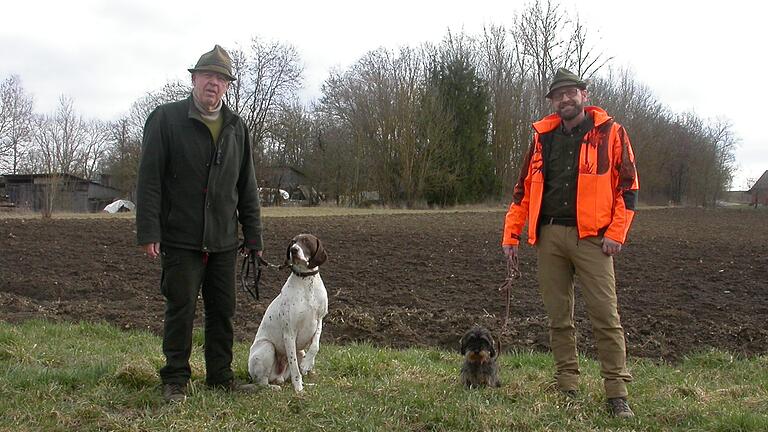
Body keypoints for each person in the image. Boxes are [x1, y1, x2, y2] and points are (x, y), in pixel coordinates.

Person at [501, 68, 639, 418]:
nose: (565, 99)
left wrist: (615, 234)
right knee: (558, 317)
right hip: (548, 236)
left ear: (584, 95)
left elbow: (629, 189)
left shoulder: (611, 134)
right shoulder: (540, 138)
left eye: (571, 92)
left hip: (594, 240)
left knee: (606, 317)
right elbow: (521, 191)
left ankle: (616, 393)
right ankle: (567, 385)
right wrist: (511, 234)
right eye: (558, 95)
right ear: (552, 102)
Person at [136, 44, 263, 403]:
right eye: (208, 75)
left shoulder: (237, 127)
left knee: (223, 312)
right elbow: (148, 181)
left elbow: (247, 185)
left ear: (227, 86)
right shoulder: (166, 119)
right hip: (180, 238)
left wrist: (253, 235)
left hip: (223, 240)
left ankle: (220, 377)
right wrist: (149, 230)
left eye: (222, 79)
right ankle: (175, 379)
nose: (214, 83)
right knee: (181, 309)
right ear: (194, 78)